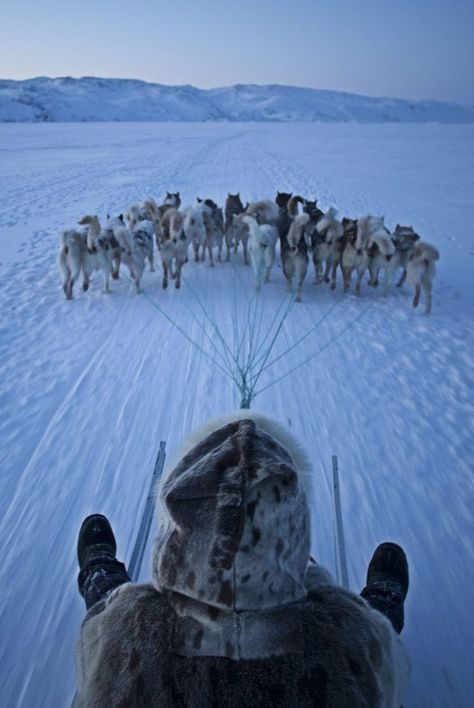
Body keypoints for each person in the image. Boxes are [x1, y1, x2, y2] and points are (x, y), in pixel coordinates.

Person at [75, 412, 410, 707]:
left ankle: (99, 573)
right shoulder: (341, 631)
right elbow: (391, 677)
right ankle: (383, 604)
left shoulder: (132, 629)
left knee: (106, 608)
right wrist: (319, 583)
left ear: (170, 541)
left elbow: (89, 651)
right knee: (376, 634)